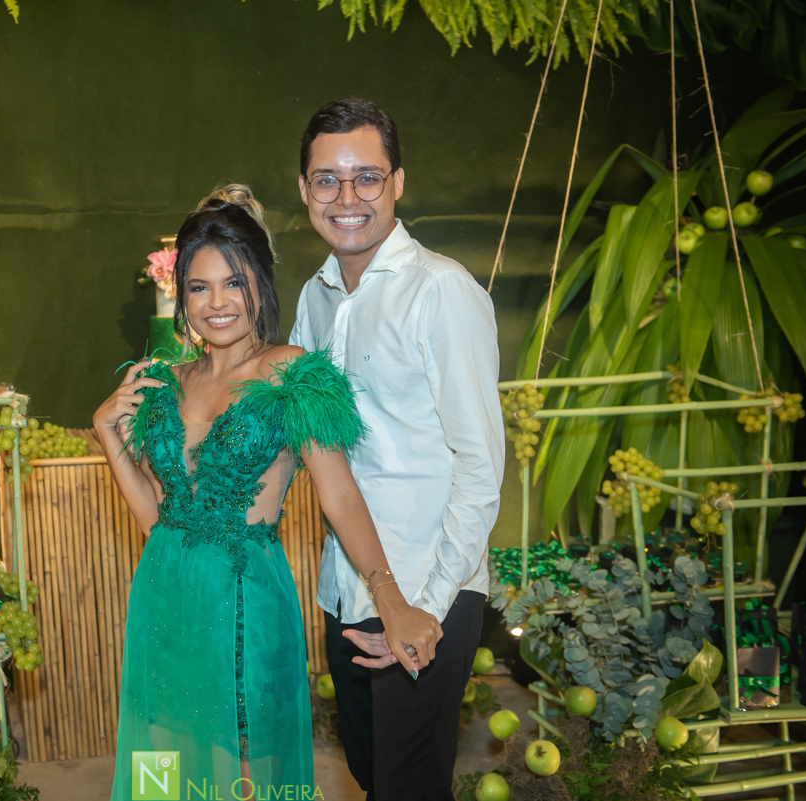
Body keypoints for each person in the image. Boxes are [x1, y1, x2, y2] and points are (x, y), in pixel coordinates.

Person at [94, 184, 441, 801]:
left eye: (234, 282)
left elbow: (339, 497)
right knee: (164, 769)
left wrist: (391, 601)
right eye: (199, 287)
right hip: (163, 598)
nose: (217, 303)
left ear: (260, 281)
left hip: (245, 599)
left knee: (242, 774)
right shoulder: (163, 383)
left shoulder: (291, 372)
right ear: (181, 295)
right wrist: (107, 435)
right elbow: (158, 520)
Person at [289, 98, 504, 800]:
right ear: (304, 190)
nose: (346, 197)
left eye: (367, 177)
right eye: (327, 179)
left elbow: (481, 467)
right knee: (372, 773)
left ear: (399, 182)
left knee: (410, 786)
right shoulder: (314, 300)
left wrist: (427, 606)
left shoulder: (442, 290)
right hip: (346, 586)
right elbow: (308, 446)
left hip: (425, 587)